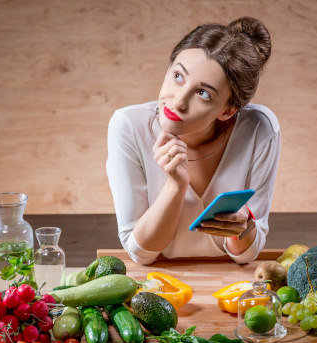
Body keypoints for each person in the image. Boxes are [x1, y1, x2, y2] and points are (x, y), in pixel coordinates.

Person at [106, 17, 280, 265]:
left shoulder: (260, 129)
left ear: (228, 110)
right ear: (168, 69)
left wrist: (244, 225)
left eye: (203, 93)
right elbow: (140, 253)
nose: (178, 101)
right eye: (178, 76)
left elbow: (247, 255)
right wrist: (176, 185)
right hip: (157, 282)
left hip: (229, 282)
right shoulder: (128, 126)